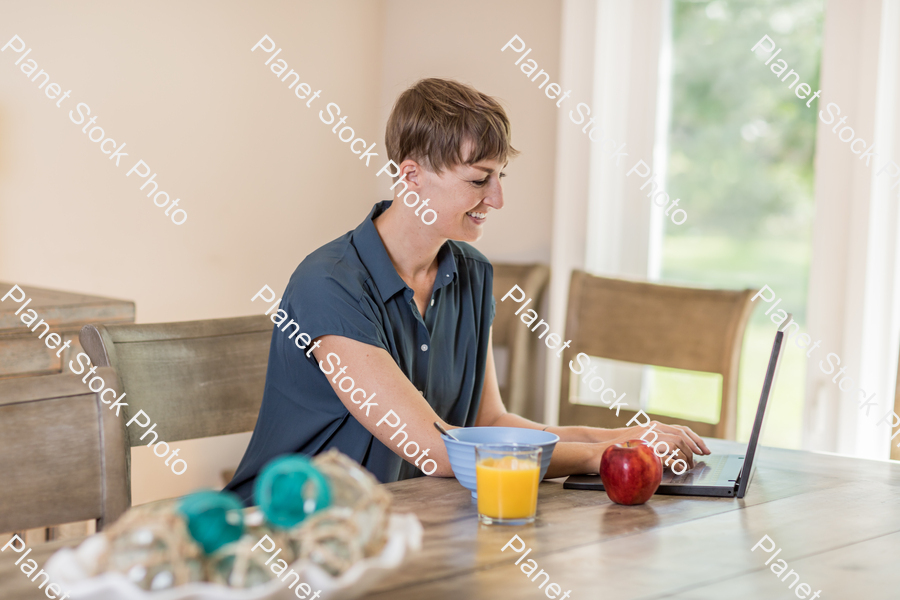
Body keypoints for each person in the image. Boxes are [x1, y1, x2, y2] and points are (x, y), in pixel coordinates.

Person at [225, 78, 710, 504]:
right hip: (292, 532)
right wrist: (597, 456)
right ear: (411, 175)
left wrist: (624, 437)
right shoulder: (329, 284)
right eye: (480, 179)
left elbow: (491, 423)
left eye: (499, 177)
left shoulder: (471, 272)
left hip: (407, 518)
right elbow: (435, 451)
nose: (496, 198)